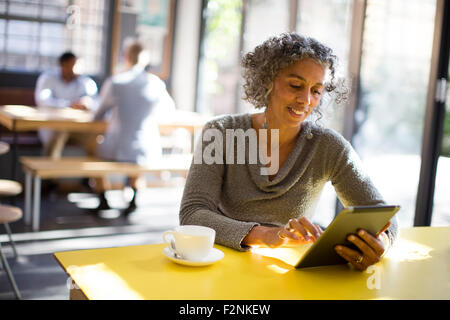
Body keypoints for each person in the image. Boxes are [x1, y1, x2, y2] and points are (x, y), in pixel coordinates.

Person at [179, 32, 398, 271]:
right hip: (220, 264)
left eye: (316, 90)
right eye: (296, 85)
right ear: (267, 80)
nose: (306, 100)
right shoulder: (220, 132)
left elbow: (383, 216)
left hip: (288, 271)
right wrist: (267, 235)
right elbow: (193, 213)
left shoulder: (329, 147)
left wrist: (380, 244)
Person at [93, 39, 176, 215]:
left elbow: (97, 114)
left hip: (117, 148)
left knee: (93, 147)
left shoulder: (116, 82)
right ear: (145, 60)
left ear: (125, 57)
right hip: (147, 149)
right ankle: (134, 192)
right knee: (140, 150)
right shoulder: (156, 83)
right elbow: (169, 112)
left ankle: (102, 195)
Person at [34, 52, 98, 158]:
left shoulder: (85, 82)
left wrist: (88, 103)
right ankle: (50, 173)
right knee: (57, 135)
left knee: (96, 139)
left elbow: (96, 102)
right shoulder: (48, 78)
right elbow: (43, 100)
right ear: (63, 64)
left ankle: (92, 173)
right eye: (72, 65)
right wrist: (69, 105)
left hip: (79, 126)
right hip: (54, 125)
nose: (75, 70)